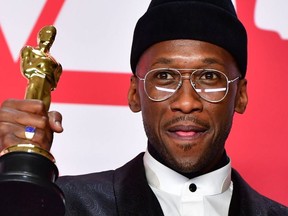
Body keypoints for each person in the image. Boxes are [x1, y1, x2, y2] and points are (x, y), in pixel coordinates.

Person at [0, 0, 287, 215]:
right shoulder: (63, 206)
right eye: (163, 77)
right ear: (134, 94)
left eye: (210, 77)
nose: (186, 102)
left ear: (240, 96)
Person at [21, 25, 62, 111]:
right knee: (27, 113)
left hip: (46, 91)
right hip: (34, 85)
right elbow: (26, 69)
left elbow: (54, 84)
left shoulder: (56, 64)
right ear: (40, 35)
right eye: (47, 34)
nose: (50, 37)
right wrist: (44, 72)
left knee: (42, 117)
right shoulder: (29, 50)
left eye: (52, 36)